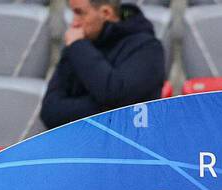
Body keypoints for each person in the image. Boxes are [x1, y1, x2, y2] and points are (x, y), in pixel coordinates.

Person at [40, 0, 165, 129]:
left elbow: (117, 99)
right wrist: (105, 108)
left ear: (106, 13)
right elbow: (50, 112)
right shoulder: (78, 45)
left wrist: (79, 48)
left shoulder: (147, 48)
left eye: (79, 13)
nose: (74, 23)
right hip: (79, 144)